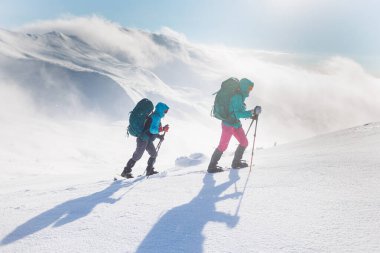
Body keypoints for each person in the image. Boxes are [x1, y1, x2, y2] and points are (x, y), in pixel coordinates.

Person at [208, 78, 260, 173]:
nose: (250, 90)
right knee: (223, 146)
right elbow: (238, 114)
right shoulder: (237, 97)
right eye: (249, 88)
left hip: (236, 124)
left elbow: (239, 111)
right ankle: (211, 167)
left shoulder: (240, 96)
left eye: (251, 88)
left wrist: (251, 115)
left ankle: (236, 163)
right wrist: (251, 112)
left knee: (244, 142)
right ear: (244, 87)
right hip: (228, 124)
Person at [121, 102, 170, 178]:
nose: (166, 113)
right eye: (165, 111)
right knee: (137, 156)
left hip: (148, 140)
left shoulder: (157, 117)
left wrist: (159, 136)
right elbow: (152, 130)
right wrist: (163, 129)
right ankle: (125, 172)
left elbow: (152, 130)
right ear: (161, 110)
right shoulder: (155, 117)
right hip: (143, 139)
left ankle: (149, 170)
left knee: (154, 154)